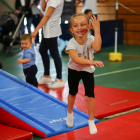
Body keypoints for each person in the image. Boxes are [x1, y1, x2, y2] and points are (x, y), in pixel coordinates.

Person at [65, 13, 104, 134]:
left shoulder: (91, 39)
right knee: (72, 93)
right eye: (76, 26)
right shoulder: (71, 43)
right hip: (74, 70)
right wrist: (92, 61)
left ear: (88, 26)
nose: (80, 27)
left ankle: (91, 121)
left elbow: (97, 47)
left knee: (90, 96)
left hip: (87, 70)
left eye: (83, 24)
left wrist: (97, 29)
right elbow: (76, 59)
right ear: (71, 30)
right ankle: (69, 114)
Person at [31, 0, 65, 89]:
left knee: (54, 54)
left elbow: (47, 15)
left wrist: (36, 30)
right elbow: (43, 9)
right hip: (47, 29)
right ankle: (46, 76)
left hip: (51, 30)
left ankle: (59, 79)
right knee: (42, 50)